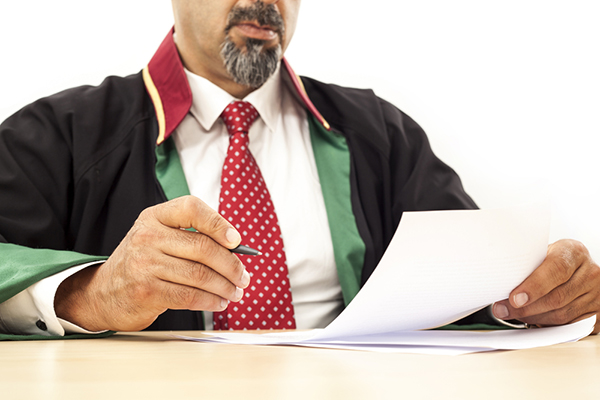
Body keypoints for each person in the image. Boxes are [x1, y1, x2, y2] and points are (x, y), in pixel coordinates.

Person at [0, 0, 599, 338]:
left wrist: (541, 297)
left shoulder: (381, 134)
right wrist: (87, 293)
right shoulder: (55, 136)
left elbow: (473, 285)